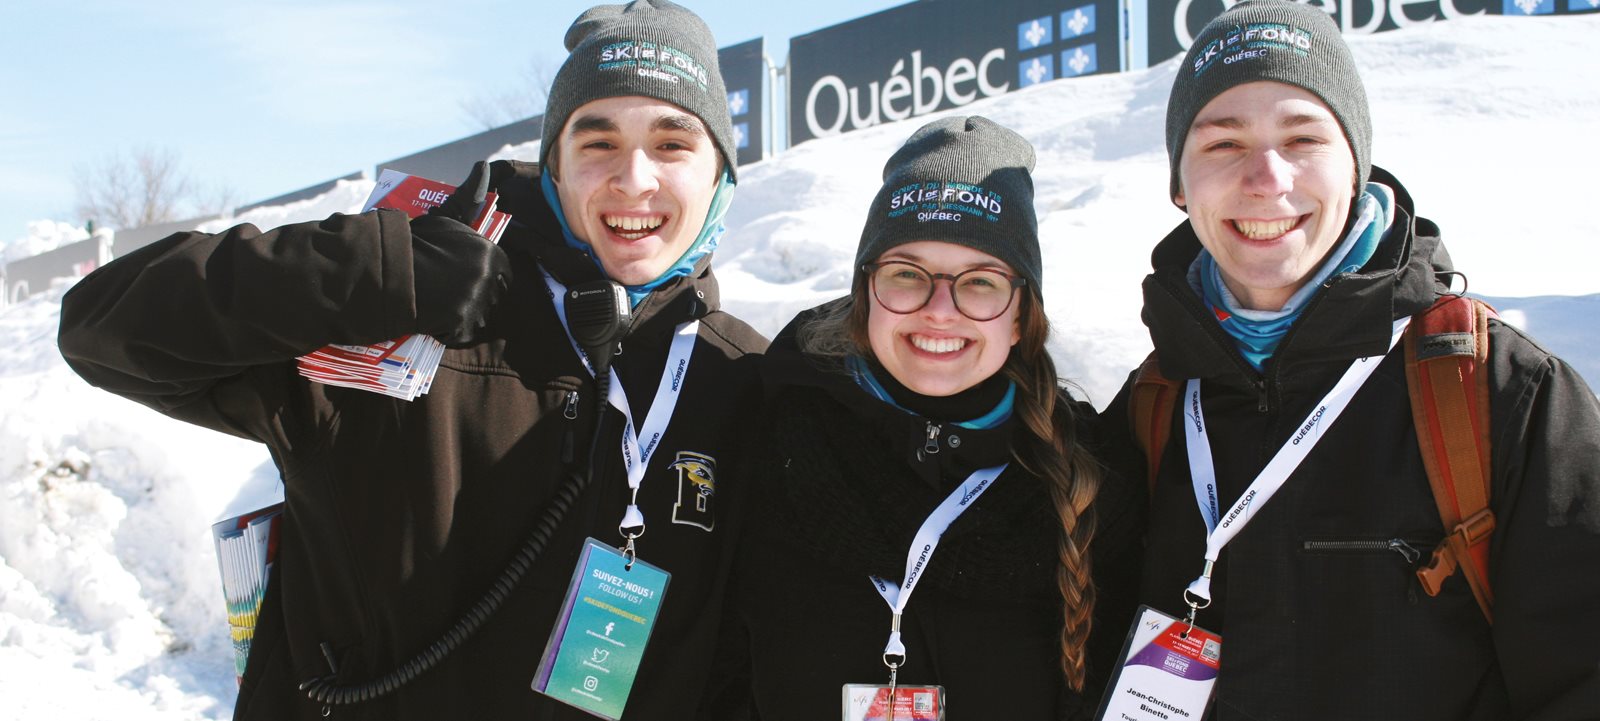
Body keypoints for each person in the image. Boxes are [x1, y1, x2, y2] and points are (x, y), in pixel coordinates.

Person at [58, 1, 767, 719]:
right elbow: (101, 328)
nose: (634, 179)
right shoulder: (396, 313)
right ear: (552, 165)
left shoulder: (744, 380)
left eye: (673, 144)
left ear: (721, 175)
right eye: (597, 141)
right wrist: (377, 273)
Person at [1103, 1, 1600, 718]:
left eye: (1303, 138)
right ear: (1180, 185)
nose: (1267, 178)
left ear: (1357, 164)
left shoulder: (1494, 392)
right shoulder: (1155, 405)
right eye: (1221, 144)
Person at [712, 116, 1143, 720]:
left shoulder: (1090, 481)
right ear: (865, 295)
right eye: (907, 275)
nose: (941, 311)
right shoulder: (766, 437)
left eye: (982, 283)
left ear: (1021, 315)